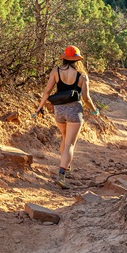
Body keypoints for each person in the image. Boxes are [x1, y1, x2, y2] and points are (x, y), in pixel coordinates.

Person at [35, 45, 98, 189]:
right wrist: (94, 111)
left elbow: (47, 91)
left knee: (64, 138)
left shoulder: (56, 71)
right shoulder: (82, 76)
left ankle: (66, 168)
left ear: (64, 58)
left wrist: (39, 108)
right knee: (70, 143)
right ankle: (62, 175)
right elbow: (86, 98)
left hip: (59, 110)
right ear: (77, 59)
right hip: (74, 111)